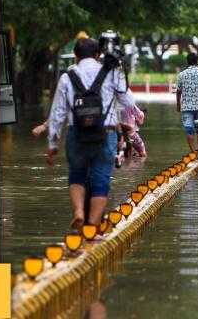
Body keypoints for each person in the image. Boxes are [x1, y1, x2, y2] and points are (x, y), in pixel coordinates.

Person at [47, 37, 135, 232]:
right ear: (98, 55)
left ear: (76, 56)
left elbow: (57, 114)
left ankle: (79, 211)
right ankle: (93, 226)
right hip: (106, 133)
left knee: (76, 175)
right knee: (101, 179)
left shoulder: (66, 78)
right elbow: (129, 102)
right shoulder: (111, 73)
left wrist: (52, 146)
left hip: (76, 133)